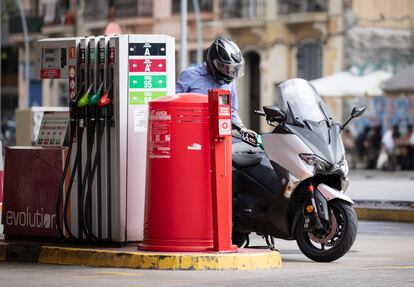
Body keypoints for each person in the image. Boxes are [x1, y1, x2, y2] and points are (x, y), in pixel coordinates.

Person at [176, 36, 257, 145]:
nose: (230, 74)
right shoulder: (189, 75)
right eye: (226, 68)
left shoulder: (230, 81)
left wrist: (242, 129)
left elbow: (231, 110)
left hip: (219, 139)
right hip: (191, 137)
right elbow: (174, 105)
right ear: (215, 63)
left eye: (233, 70)